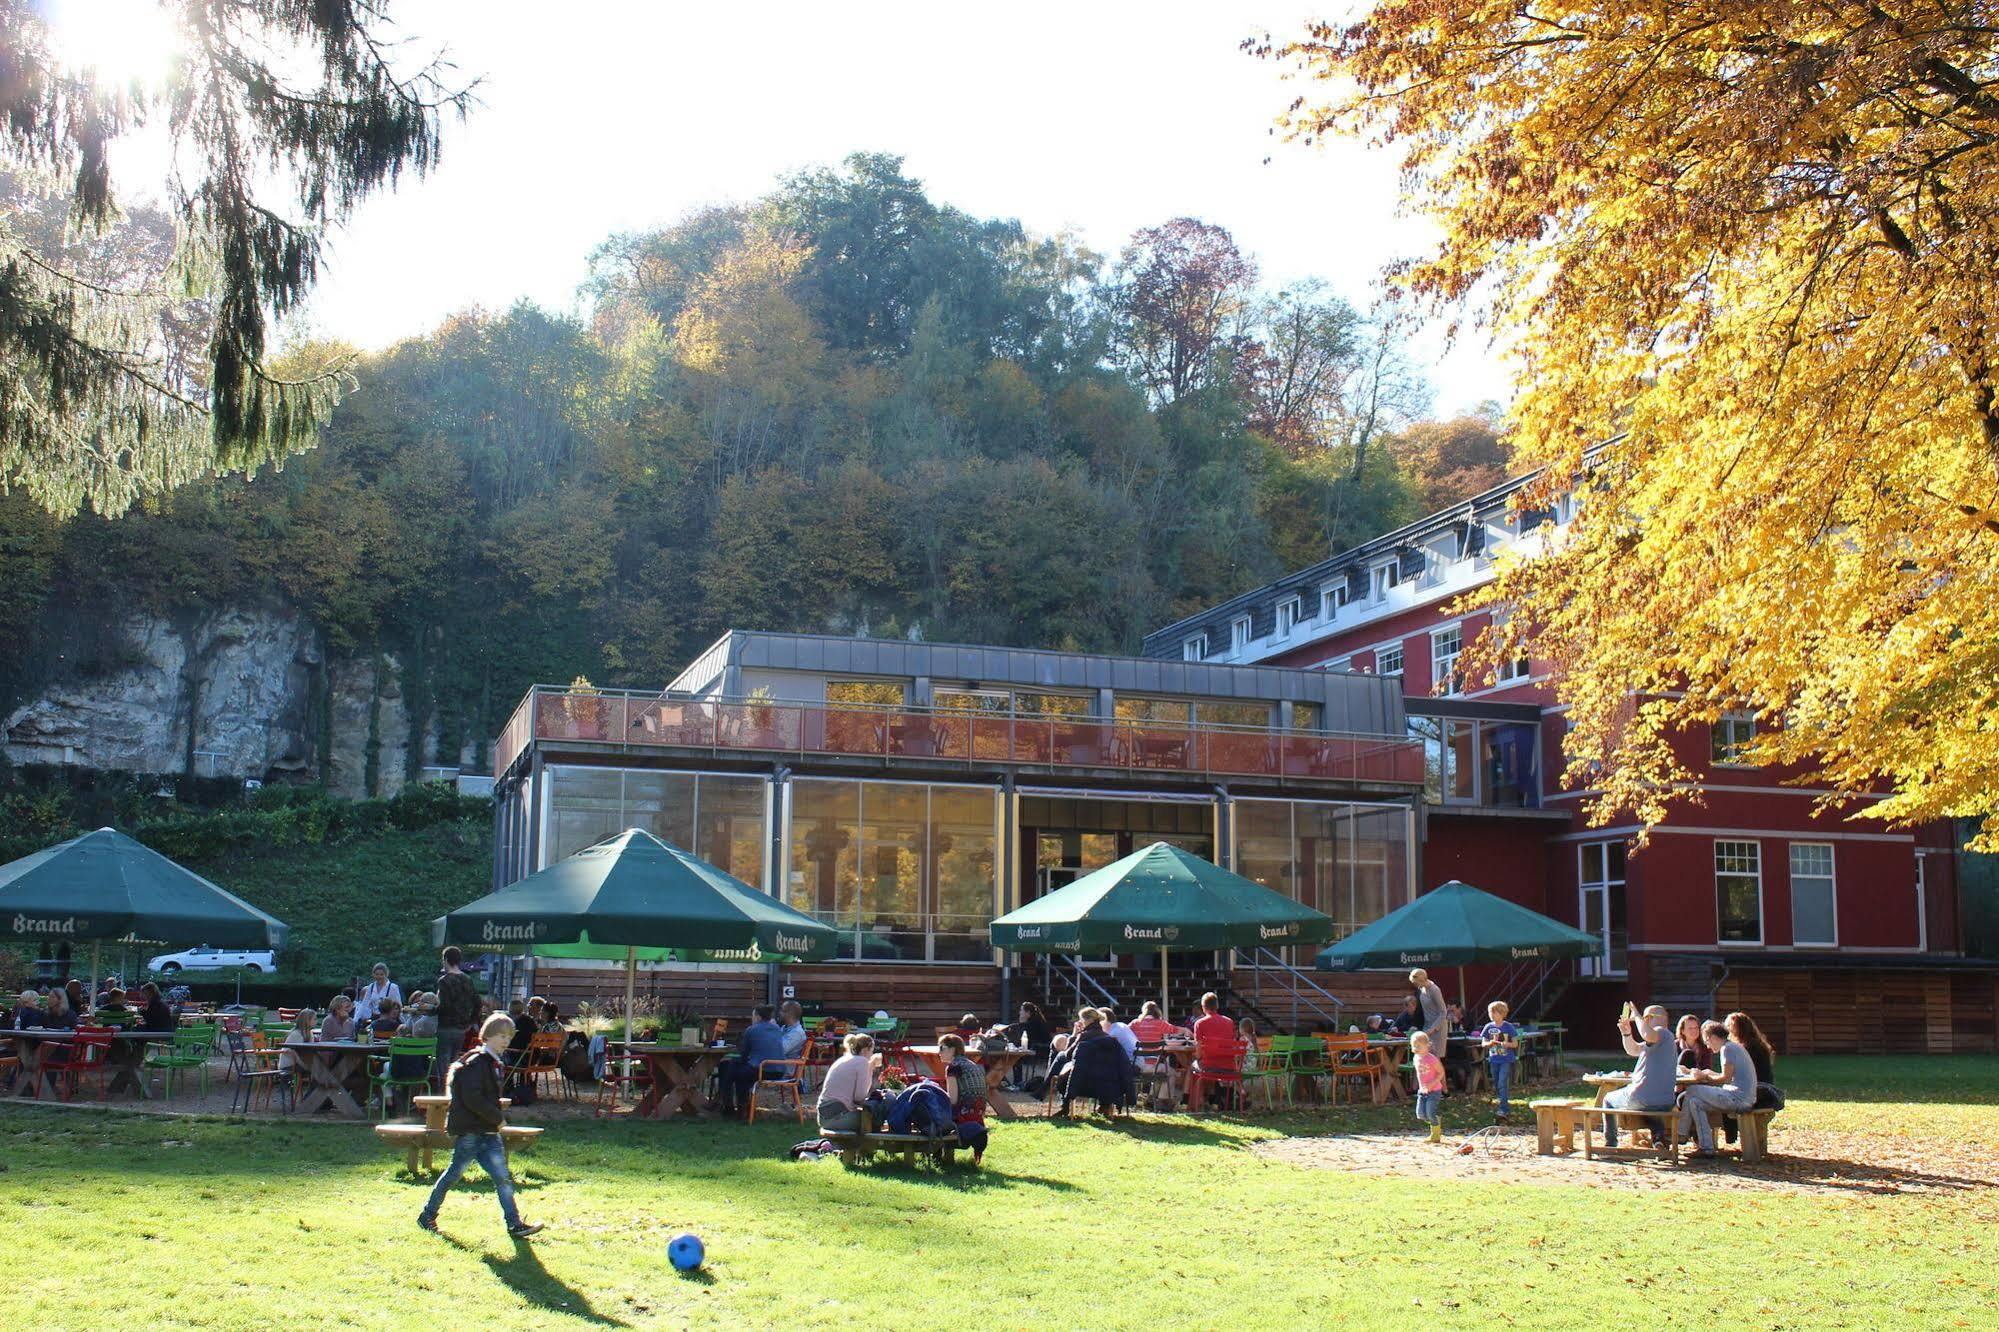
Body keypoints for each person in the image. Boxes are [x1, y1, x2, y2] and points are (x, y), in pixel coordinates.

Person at [418, 1012, 542, 1238]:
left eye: (508, 1037)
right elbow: (473, 1098)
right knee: (453, 1175)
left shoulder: (493, 1063)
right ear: (487, 1036)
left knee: (502, 1177)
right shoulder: (476, 1062)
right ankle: (427, 1215)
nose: (505, 1041)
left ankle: (514, 1224)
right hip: (471, 1131)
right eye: (501, 1036)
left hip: (488, 1131)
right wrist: (497, 1118)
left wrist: (493, 1121)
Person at [1600, 1003, 1677, 1150]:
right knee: (1649, 1107)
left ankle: (1610, 1143)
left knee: (1608, 1099)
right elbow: (1633, 1049)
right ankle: (1658, 1139)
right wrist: (1627, 1033)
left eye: (1647, 1017)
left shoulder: (1661, 1032)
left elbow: (1648, 1034)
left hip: (1641, 1097)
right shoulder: (1660, 1041)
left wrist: (1636, 1014)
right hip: (1665, 1101)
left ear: (1660, 1018)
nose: (1644, 1020)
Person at [1678, 1019, 1756, 1158]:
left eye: (1707, 1042)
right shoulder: (1732, 1047)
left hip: (1738, 1097)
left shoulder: (1728, 1049)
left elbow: (1725, 1078)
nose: (1707, 1046)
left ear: (1713, 1037)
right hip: (1740, 1095)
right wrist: (1708, 1072)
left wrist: (1704, 1077)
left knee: (1692, 1090)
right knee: (1695, 1102)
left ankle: (1681, 1134)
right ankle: (1706, 1148)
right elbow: (1729, 1076)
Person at [1720, 1010, 1781, 1145]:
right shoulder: (1755, 1044)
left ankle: (1730, 1132)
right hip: (1764, 1089)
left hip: (1759, 1090)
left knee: (1724, 1097)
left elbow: (1735, 1076)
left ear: (1738, 1029)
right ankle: (1731, 1132)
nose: (1727, 1031)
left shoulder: (1748, 1048)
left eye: (1729, 1027)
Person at [1061, 1009, 1133, 1116]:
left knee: (1060, 1059)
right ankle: (1105, 1105)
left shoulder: (1084, 1036)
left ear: (1087, 1021)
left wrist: (1074, 1034)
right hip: (1107, 1081)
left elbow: (1068, 1055)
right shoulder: (1109, 1038)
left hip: (1083, 1079)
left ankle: (1062, 1104)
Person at [720, 1004, 785, 1115]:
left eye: (753, 1016)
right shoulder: (777, 1028)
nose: (752, 1019)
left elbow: (744, 1055)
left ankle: (731, 1106)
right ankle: (733, 1106)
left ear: (758, 1017)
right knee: (733, 1069)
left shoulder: (751, 1030)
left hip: (763, 1069)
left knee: (733, 1070)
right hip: (779, 1070)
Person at [938, 1032, 990, 1163]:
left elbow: (953, 1100)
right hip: (979, 1113)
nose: (939, 1052)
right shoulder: (972, 1064)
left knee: (933, 1112)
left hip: (964, 1116)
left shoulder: (953, 1067)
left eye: (941, 1048)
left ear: (952, 1049)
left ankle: (938, 1156)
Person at [815, 1031, 877, 1133]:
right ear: (866, 1049)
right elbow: (860, 1097)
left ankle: (855, 1148)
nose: (872, 1055)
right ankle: (862, 1148)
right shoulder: (863, 1062)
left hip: (824, 1116)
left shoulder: (843, 1059)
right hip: (837, 1118)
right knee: (876, 1120)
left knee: (869, 1117)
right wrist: (870, 1068)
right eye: (872, 1051)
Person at [1480, 999, 1521, 1121]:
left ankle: (1504, 1109)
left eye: (1494, 1012)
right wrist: (1489, 1043)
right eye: (1490, 1013)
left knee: (1502, 1083)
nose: (1491, 1015)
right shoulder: (1488, 1027)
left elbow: (1515, 1044)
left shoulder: (1508, 1027)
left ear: (1502, 1013)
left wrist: (1506, 1044)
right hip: (1494, 1059)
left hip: (1506, 1059)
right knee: (1497, 1083)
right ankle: (1502, 1103)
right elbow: (1483, 1043)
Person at [434, 947, 480, 1051]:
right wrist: (471, 1022)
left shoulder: (444, 980)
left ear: (445, 960)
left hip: (446, 1028)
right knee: (454, 1062)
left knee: (443, 1063)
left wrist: (430, 1010)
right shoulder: (468, 979)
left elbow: (444, 1006)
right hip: (462, 1029)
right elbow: (477, 1003)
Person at [1411, 1030, 1446, 1143]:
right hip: (1423, 1091)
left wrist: (1433, 1083)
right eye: (1414, 1046)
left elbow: (1441, 1072)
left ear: (1427, 1045)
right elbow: (1419, 1073)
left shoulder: (1432, 1059)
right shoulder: (1416, 1058)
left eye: (1419, 1046)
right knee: (1421, 1114)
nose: (1416, 1048)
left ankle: (1435, 1135)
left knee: (1430, 1113)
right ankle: (1436, 1121)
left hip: (1434, 1090)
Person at [1409, 968, 1450, 1056]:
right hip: (1427, 1026)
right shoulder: (1421, 989)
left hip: (1437, 1028)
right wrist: (1415, 1025)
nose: (1415, 985)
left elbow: (1443, 1012)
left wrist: (1433, 1029)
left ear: (1421, 979)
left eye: (1415, 982)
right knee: (1423, 1054)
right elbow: (1421, 1010)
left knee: (1434, 1057)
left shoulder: (1434, 990)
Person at [277, 1008, 316, 1078]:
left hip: (299, 1064)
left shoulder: (310, 1033)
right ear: (307, 1021)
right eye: (314, 1019)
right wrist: (309, 1066)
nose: (316, 1021)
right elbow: (298, 1055)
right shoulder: (296, 1034)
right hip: (289, 1065)